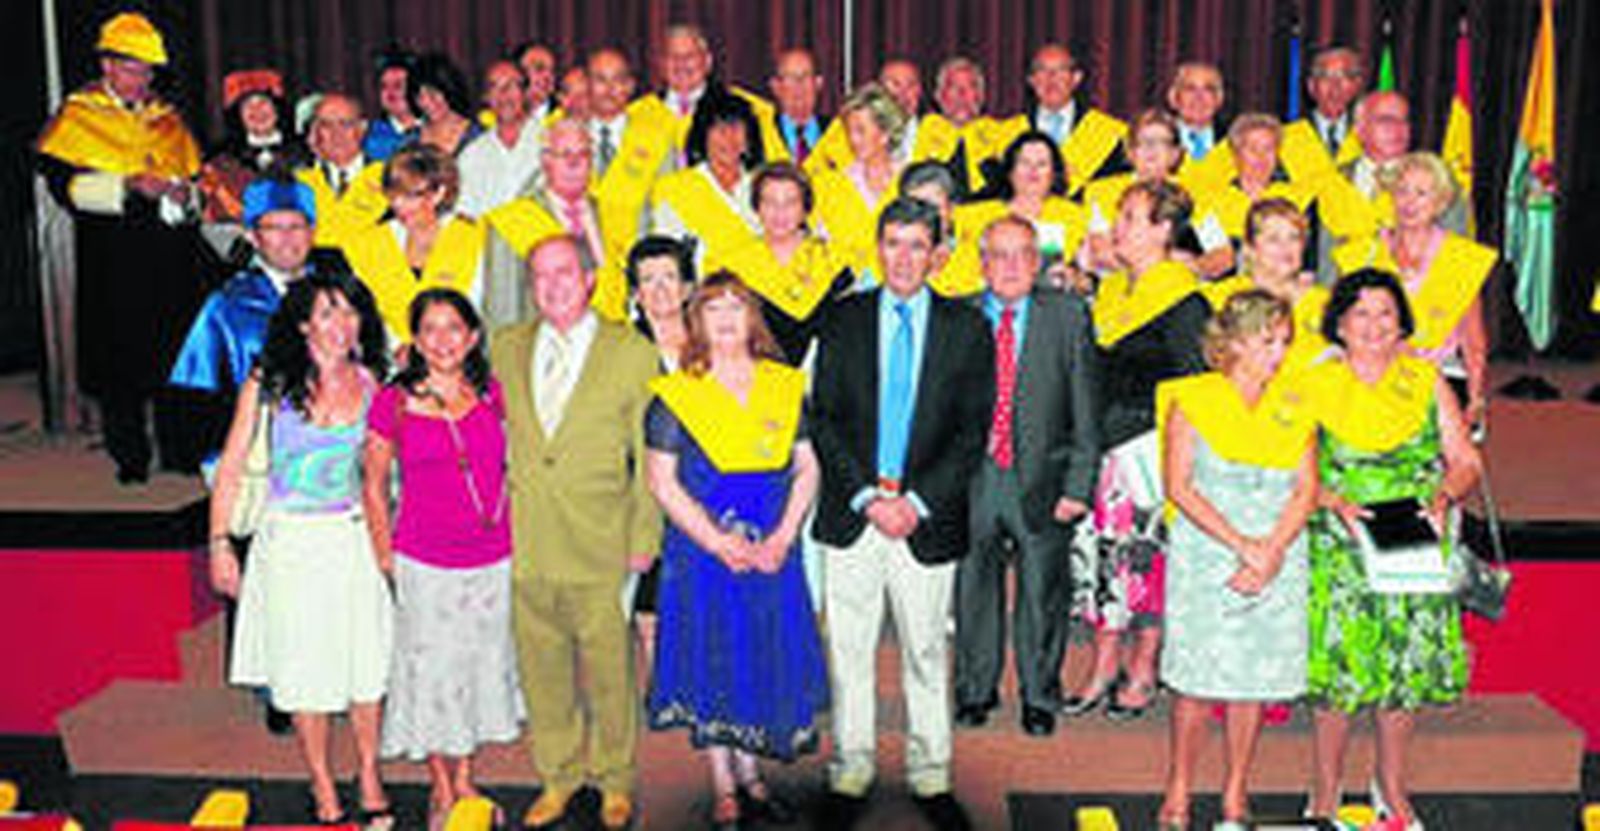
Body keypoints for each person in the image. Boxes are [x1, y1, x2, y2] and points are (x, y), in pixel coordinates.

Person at [810, 198, 994, 831]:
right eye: (893, 243)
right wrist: (868, 497)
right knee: (849, 650)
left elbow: (971, 433)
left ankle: (930, 772)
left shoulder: (966, 328)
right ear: (878, 247)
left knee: (925, 651)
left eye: (918, 244)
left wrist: (913, 504)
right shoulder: (843, 319)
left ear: (937, 253)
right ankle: (851, 768)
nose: (904, 258)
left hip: (926, 518)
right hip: (854, 513)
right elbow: (824, 418)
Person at [644, 273, 829, 830]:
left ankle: (751, 774)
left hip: (773, 549)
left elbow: (807, 467)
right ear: (696, 321)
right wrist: (718, 541)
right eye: (712, 308)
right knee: (715, 655)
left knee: (758, 653)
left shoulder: (783, 385)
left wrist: (783, 537)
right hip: (704, 552)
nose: (725, 318)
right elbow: (662, 481)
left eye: (735, 306)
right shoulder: (677, 393)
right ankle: (724, 783)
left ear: (752, 317)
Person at [207, 272, 393, 827]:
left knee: (367, 664)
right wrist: (219, 544)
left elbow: (385, 474)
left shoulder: (374, 382)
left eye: (350, 311)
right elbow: (231, 466)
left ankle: (369, 772)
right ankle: (322, 782)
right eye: (328, 312)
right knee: (305, 667)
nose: (342, 324)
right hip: (290, 541)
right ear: (304, 324)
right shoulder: (268, 383)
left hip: (354, 535)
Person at [490, 235, 661, 831]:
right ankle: (558, 776)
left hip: (603, 539)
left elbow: (650, 454)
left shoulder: (631, 351)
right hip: (526, 538)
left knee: (610, 671)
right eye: (540, 275)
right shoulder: (506, 347)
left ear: (590, 278)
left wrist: (645, 535)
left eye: (565, 272)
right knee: (543, 671)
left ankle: (614, 779)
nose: (553, 285)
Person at [1299, 270, 1480, 829]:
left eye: (1386, 313)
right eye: (1361, 313)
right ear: (1339, 324)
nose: (1374, 325)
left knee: (1403, 669)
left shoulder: (1427, 381)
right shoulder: (1313, 383)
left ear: (1402, 323)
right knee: (1339, 672)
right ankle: (1325, 790)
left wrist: (1445, 497)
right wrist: (1329, 501)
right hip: (1339, 539)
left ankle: (1392, 787)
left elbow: (1465, 461)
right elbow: (1288, 469)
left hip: (1411, 536)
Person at [1155, 290, 1319, 830]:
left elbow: (1306, 489)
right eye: (1268, 341)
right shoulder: (1193, 398)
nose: (1280, 353)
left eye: (1284, 341)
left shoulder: (1295, 402)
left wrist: (1270, 550)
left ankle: (1235, 789)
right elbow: (1179, 486)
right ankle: (1179, 786)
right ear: (1235, 341)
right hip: (1208, 554)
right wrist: (1241, 545)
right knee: (1197, 681)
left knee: (1253, 680)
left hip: (1278, 552)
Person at [363, 289, 522, 831]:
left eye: (453, 327)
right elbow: (373, 482)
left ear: (472, 336)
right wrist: (384, 554)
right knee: (431, 673)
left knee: (476, 668)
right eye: (429, 329)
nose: (442, 340)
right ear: (415, 339)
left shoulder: (493, 393)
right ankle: (442, 786)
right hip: (423, 557)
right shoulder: (393, 401)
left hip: (492, 556)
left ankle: (467, 778)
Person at [36, 10, 205, 483]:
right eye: (132, 69)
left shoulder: (166, 116)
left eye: (147, 71)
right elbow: (64, 187)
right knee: (119, 356)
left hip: (170, 253)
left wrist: (183, 194)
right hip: (113, 254)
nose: (140, 81)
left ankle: (179, 449)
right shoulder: (79, 115)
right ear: (107, 65)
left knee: (175, 352)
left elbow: (196, 178)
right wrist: (127, 186)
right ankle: (129, 454)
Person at [1063, 180, 1208, 721]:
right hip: (1102, 453)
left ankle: (1144, 668)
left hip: (1149, 454)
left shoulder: (1184, 300)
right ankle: (1103, 664)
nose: (1116, 228)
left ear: (1162, 230)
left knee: (1146, 565)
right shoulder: (1113, 292)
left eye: (1129, 217)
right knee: (1103, 563)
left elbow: (1195, 387)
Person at [952, 216, 1098, 739]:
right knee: (973, 589)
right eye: (999, 255)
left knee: (1042, 592)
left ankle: (1038, 694)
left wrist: (1079, 484)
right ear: (982, 263)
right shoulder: (959, 318)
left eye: (1021, 255)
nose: (1010, 266)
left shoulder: (1068, 316)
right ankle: (975, 689)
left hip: (1043, 478)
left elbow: (1086, 405)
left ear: (1037, 263)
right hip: (974, 479)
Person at [1332, 152, 1494, 428]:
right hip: (1371, 371)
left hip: (1438, 374)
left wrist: (1476, 399)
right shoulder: (1363, 253)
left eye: (1421, 193)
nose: (1409, 202)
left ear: (1441, 203)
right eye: (1402, 191)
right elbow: (1341, 328)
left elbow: (1473, 341)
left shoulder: (1460, 258)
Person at [170, 178, 320, 463]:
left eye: (297, 226)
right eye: (273, 228)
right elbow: (196, 389)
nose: (287, 238)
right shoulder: (226, 305)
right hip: (251, 450)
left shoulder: (338, 295)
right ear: (252, 236)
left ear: (313, 232)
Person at [621, 235, 697, 683]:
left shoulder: (713, 341)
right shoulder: (621, 349)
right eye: (648, 280)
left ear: (688, 287)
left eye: (670, 277)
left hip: (705, 488)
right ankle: (662, 693)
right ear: (635, 293)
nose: (661, 289)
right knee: (651, 601)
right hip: (643, 492)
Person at [483, 118, 630, 326]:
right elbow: (501, 312)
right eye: (565, 155)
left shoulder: (612, 214)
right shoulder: (514, 220)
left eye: (583, 155)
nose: (574, 164)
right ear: (545, 161)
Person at [341, 143, 487, 340]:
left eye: (410, 196)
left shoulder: (472, 238)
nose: (398, 204)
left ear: (439, 193)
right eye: (392, 195)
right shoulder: (369, 243)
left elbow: (478, 311)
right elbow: (364, 316)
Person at [714, 162, 852, 365]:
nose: (780, 212)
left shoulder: (834, 262)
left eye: (791, 202)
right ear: (757, 207)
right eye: (770, 202)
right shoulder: (732, 266)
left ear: (805, 209)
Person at [945, 131, 1088, 296]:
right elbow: (955, 277)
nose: (1033, 171)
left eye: (1042, 164)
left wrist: (1075, 279)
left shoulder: (1076, 216)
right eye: (1025, 163)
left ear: (1054, 174)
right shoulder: (973, 216)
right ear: (1010, 171)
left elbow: (1088, 278)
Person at [1202, 198, 1332, 376]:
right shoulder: (1218, 298)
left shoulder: (1325, 303)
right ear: (1250, 249)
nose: (1286, 248)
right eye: (1273, 239)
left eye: (1294, 237)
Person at [1190, 113, 1317, 279]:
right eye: (1252, 149)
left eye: (1268, 149)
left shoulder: (1299, 198)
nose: (1261, 157)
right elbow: (1215, 263)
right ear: (1235, 154)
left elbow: (1308, 264)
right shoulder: (1210, 202)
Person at [650, 90, 766, 269]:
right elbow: (668, 256)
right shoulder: (676, 188)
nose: (729, 138)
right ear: (703, 136)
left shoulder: (765, 186)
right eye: (719, 129)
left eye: (736, 127)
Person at [197, 68, 301, 254]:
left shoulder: (306, 153)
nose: (257, 111)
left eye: (263, 103)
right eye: (248, 106)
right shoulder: (219, 161)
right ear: (237, 114)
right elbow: (212, 218)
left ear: (277, 109)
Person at [1003, 44, 1128, 195]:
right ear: (1031, 80)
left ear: (1076, 78)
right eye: (1042, 70)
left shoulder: (1108, 132)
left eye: (1061, 69)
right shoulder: (1007, 133)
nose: (1051, 78)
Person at [811, 83, 907, 279]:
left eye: (861, 131)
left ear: (885, 134)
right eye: (849, 131)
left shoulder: (911, 182)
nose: (852, 139)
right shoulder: (830, 185)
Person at [297, 94, 389, 250]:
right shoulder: (299, 180)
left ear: (362, 128)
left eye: (345, 124)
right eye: (326, 125)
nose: (336, 134)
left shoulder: (389, 176)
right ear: (315, 131)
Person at [457, 60, 543, 217]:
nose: (503, 94)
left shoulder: (550, 142)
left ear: (525, 93)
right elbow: (464, 212)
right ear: (485, 97)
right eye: (494, 87)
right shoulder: (471, 155)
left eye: (511, 86)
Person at [1278, 47, 1366, 182]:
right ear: (1311, 85)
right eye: (1325, 76)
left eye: (1345, 76)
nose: (1335, 86)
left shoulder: (1369, 135)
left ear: (1357, 84)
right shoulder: (1285, 135)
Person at [1168, 62, 1231, 187]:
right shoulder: (1155, 138)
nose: (1199, 98)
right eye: (1190, 89)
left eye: (1208, 89)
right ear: (1173, 98)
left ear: (1219, 99)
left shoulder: (1235, 141)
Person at [411, 53, 483, 158]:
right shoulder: (412, 139)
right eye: (419, 96)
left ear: (449, 89)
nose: (426, 103)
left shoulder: (477, 136)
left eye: (432, 94)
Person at [768, 48, 827, 165]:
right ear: (776, 86)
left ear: (818, 83)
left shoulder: (839, 133)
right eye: (790, 77)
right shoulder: (760, 135)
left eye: (806, 76)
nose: (799, 84)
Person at [365, 48, 419, 162]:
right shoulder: (368, 136)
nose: (390, 93)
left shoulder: (436, 130)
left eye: (397, 86)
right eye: (384, 86)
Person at [513, 42, 558, 124]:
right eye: (539, 69)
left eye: (552, 71)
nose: (548, 77)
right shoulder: (498, 117)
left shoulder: (563, 118)